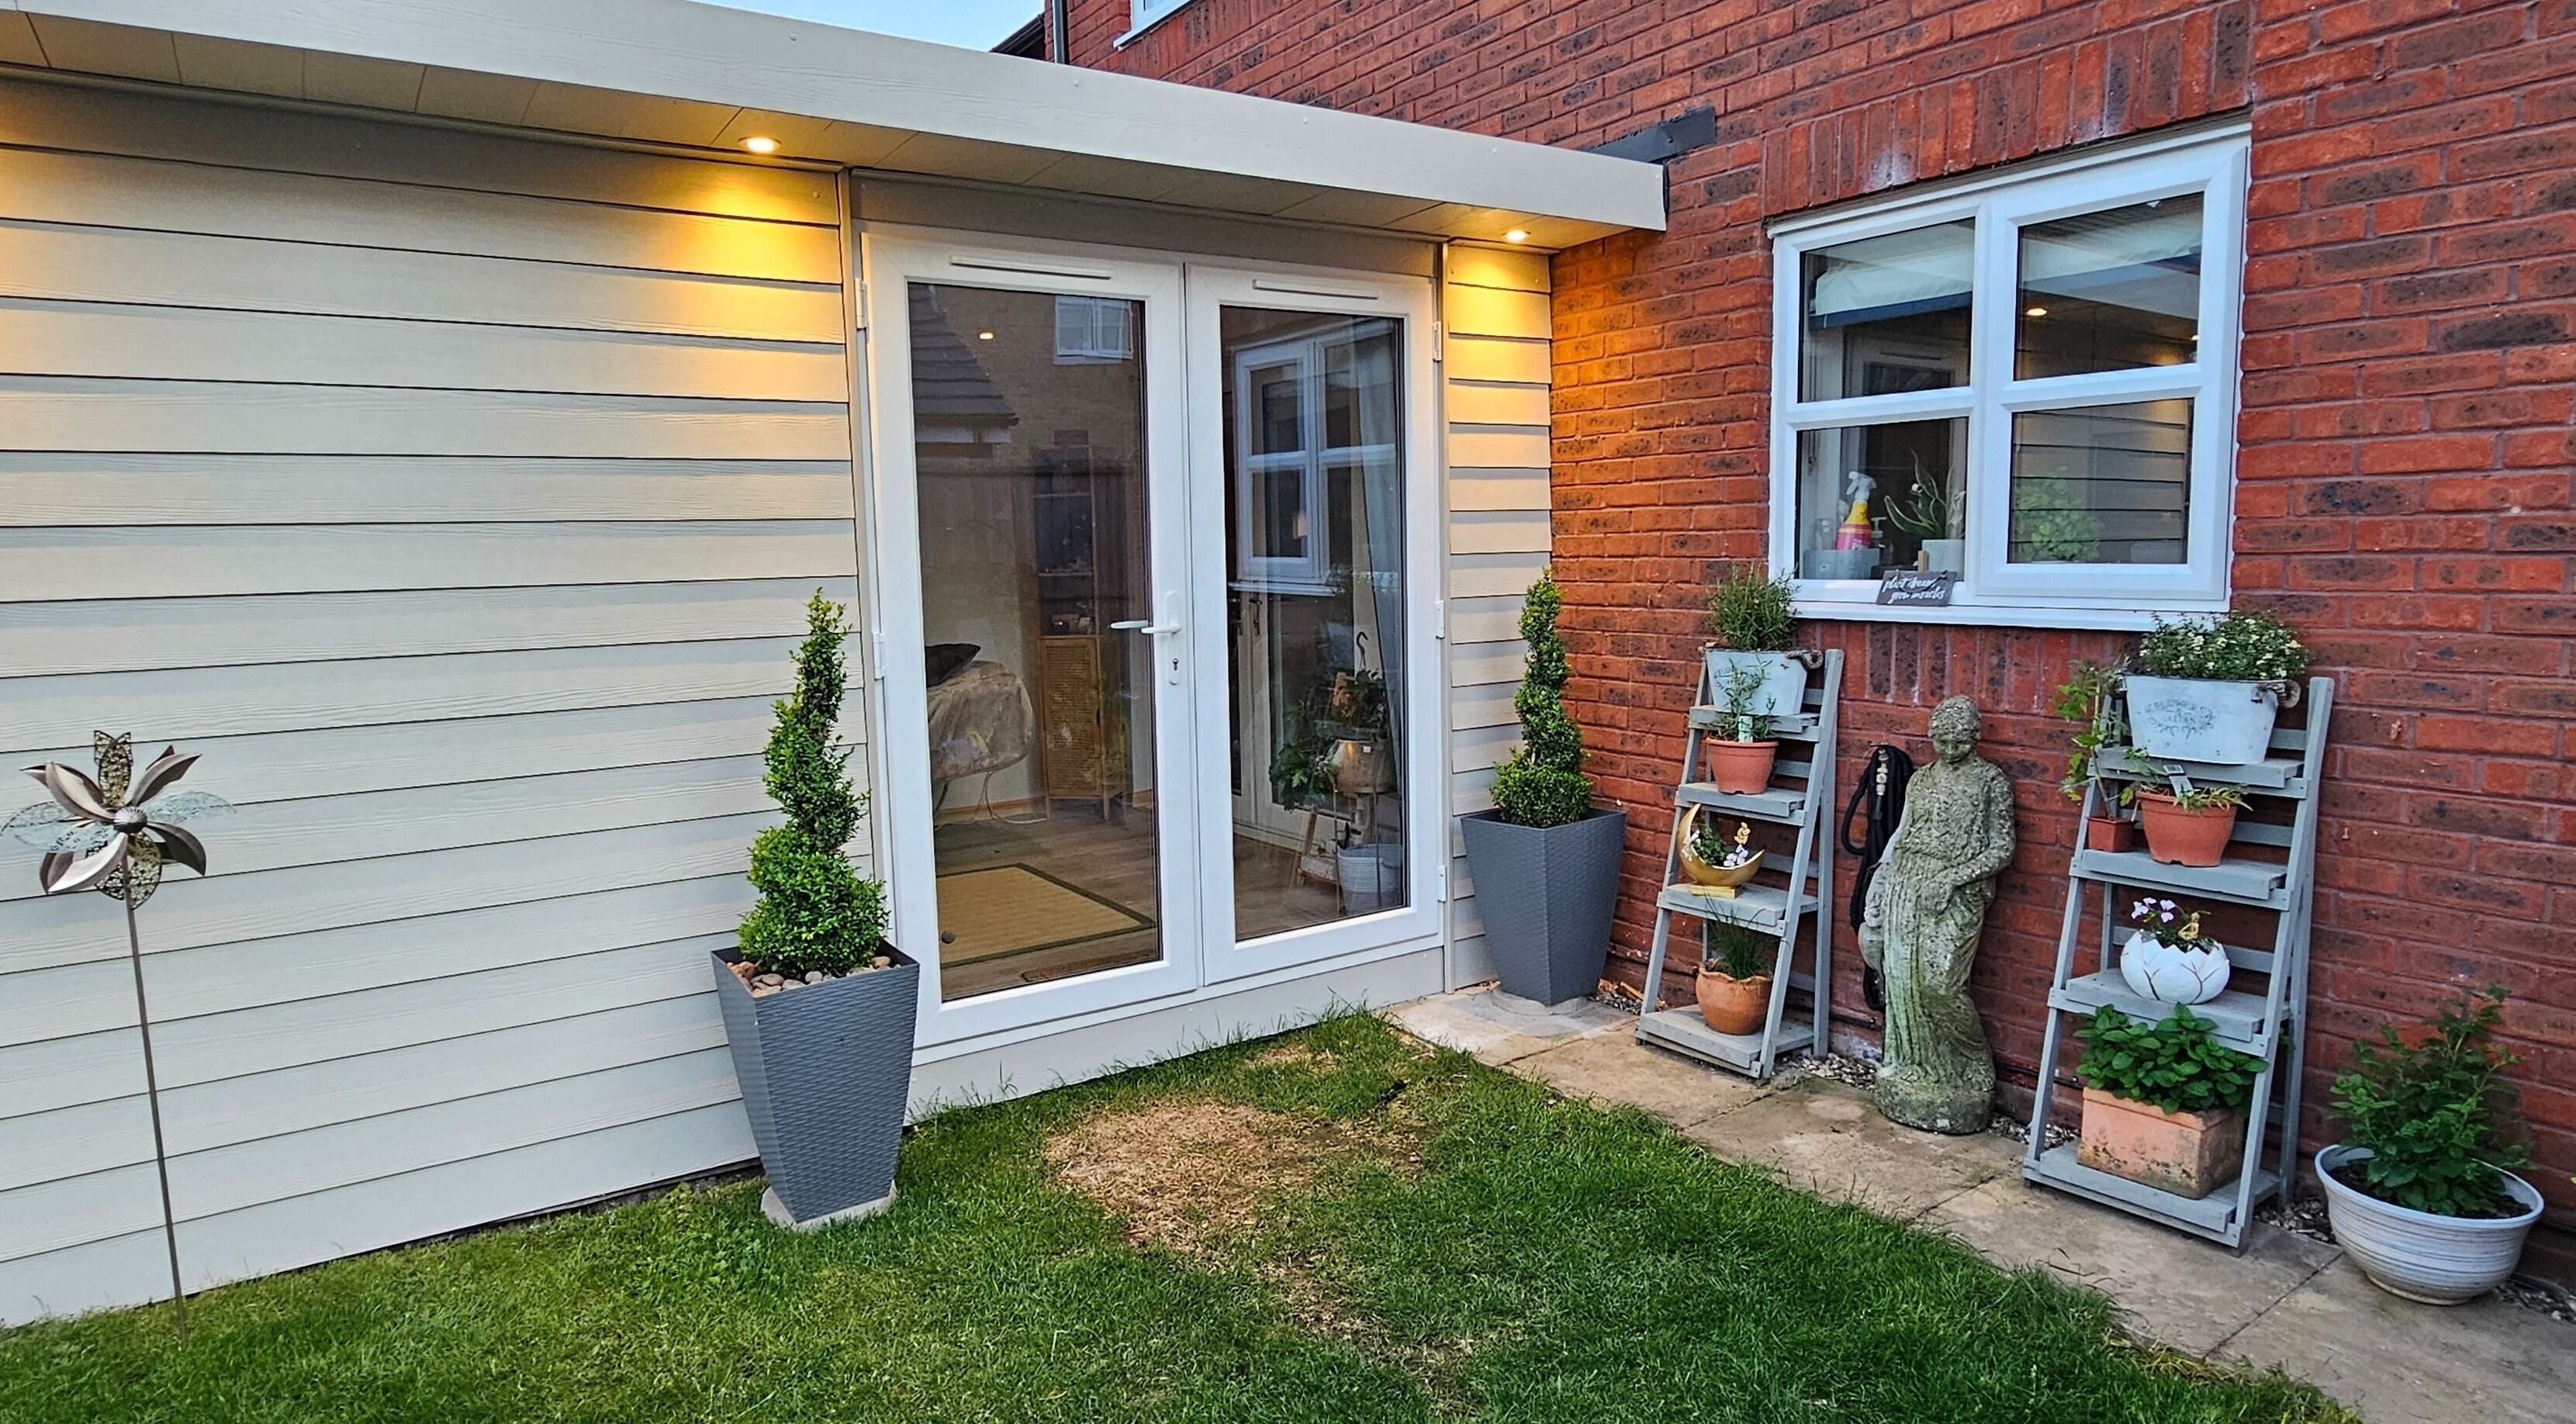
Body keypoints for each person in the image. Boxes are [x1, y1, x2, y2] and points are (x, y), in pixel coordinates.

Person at [1859, 696, 2015, 1133]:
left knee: (1940, 985)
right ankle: (1912, 1065)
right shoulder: (1921, 779)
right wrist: (1881, 883)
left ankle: (1973, 1061)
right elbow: (1901, 835)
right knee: (1902, 981)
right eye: (1942, 742)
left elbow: (2002, 848)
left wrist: (1952, 879)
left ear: (1975, 737)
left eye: (1959, 742)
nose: (1949, 750)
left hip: (1957, 891)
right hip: (1907, 884)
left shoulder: (1991, 782)